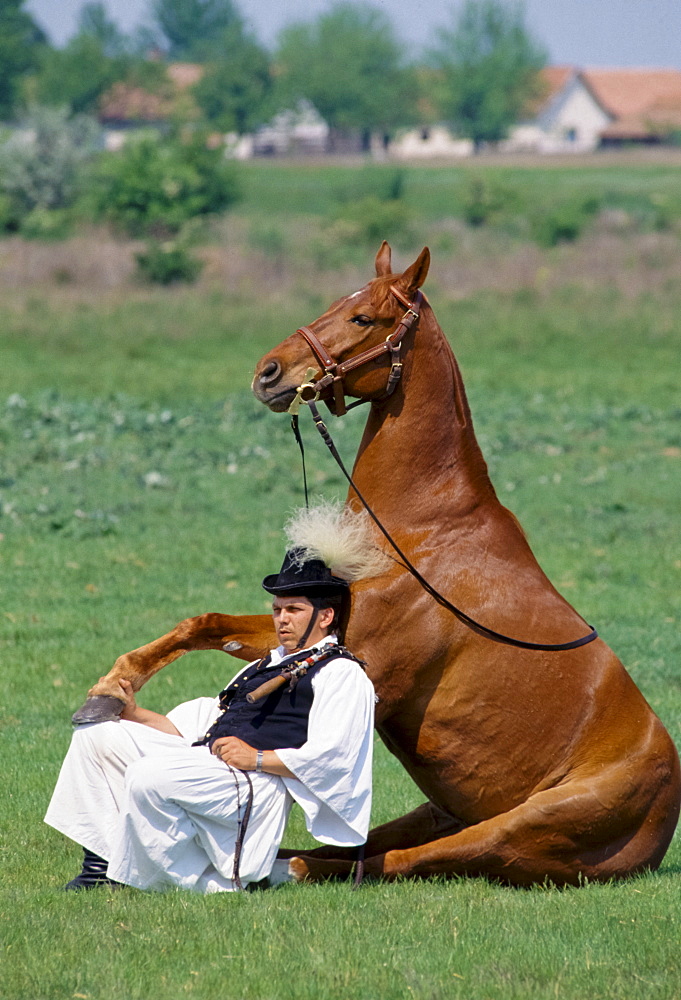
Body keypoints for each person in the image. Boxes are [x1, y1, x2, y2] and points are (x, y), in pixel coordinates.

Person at [45, 535, 376, 893]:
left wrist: (258, 758)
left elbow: (335, 758)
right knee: (96, 736)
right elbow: (199, 727)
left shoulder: (342, 673)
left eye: (294, 610)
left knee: (148, 775)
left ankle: (200, 884)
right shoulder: (265, 664)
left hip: (255, 785)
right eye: (277, 610)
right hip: (211, 765)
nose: (282, 620)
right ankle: (101, 865)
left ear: (326, 616)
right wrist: (135, 713)